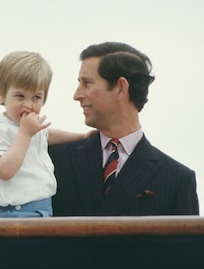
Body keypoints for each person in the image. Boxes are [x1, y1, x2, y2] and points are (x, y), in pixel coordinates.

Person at [49, 41, 199, 216]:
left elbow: (187, 244)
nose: (77, 95)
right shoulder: (53, 159)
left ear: (121, 88)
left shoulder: (177, 179)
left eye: (87, 83)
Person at [0, 51, 91, 218]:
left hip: (45, 209)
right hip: (17, 213)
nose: (28, 104)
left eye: (36, 97)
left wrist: (81, 137)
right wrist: (25, 133)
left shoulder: (32, 129)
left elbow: (47, 135)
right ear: (2, 94)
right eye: (20, 96)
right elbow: (4, 170)